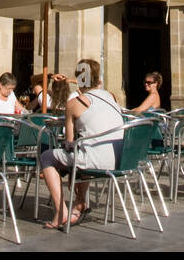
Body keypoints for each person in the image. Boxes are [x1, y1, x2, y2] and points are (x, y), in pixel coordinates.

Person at [38, 58, 124, 230]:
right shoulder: (111, 96)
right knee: (86, 151)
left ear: (79, 79)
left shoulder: (74, 103)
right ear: (98, 77)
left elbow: (69, 142)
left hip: (96, 161)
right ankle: (79, 202)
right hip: (121, 160)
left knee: (47, 156)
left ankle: (61, 211)